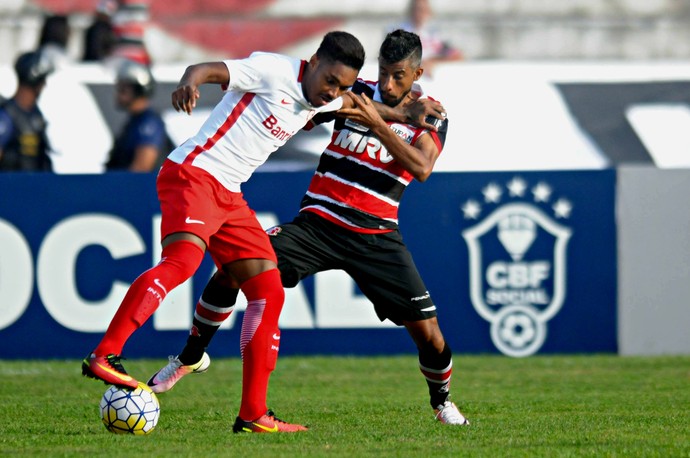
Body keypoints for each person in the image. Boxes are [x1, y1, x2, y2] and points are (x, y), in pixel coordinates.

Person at [147, 30, 470, 427]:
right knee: (231, 270)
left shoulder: (432, 114)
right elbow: (313, 109)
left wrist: (378, 123)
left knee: (430, 334)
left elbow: (421, 168)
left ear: (418, 71)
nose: (387, 83)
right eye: (383, 72)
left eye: (399, 76)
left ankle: (442, 403)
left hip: (375, 234)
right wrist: (365, 110)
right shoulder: (356, 91)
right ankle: (190, 357)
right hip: (318, 223)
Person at [81, 30, 366, 434]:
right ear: (315, 60)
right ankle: (105, 354)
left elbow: (357, 103)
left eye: (342, 86)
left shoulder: (326, 97)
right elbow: (205, 68)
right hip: (194, 174)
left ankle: (253, 414)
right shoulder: (273, 69)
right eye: (330, 81)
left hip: (228, 193)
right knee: (181, 263)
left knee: (267, 290)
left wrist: (406, 112)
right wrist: (189, 83)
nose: (333, 92)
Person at [105, 60, 168, 171]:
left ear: (139, 90)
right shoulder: (133, 122)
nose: (118, 94)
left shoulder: (148, 123)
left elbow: (141, 169)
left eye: (123, 89)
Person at [0, 51, 55, 171]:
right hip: (10, 187)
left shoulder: (36, 115)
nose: (45, 84)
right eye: (42, 80)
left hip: (33, 187)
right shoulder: (7, 115)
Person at [394, 0, 462, 76]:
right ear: (411, 10)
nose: (421, 13)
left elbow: (457, 56)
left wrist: (433, 61)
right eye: (418, 9)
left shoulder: (436, 34)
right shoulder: (400, 33)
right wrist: (419, 63)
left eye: (424, 9)